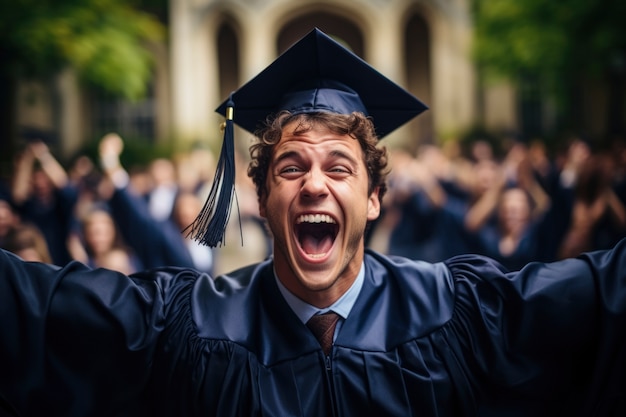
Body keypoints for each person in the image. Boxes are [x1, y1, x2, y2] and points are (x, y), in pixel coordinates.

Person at [1, 28, 625, 417]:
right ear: (263, 198)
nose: (315, 183)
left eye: (340, 168)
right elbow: (30, 309)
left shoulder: (456, 313)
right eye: (291, 167)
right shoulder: (185, 327)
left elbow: (602, 298)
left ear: (375, 198)